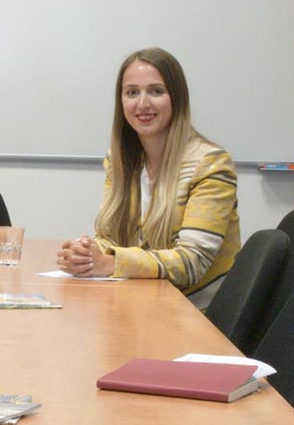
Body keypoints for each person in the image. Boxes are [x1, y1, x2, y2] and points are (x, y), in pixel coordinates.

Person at [56, 47, 240, 307]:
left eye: (156, 91)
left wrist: (110, 262)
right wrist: (86, 253)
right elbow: (110, 235)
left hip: (199, 311)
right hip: (145, 302)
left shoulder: (210, 165)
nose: (143, 104)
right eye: (132, 92)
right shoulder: (120, 160)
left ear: (176, 98)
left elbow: (192, 262)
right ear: (121, 102)